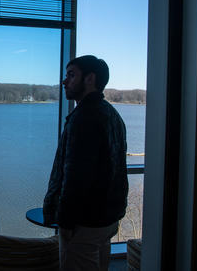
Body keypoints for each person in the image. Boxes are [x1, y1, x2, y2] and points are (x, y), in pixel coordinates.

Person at [43, 55, 128, 271]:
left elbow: (76, 176)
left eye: (71, 75)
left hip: (84, 223)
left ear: (90, 79)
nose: (64, 81)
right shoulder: (112, 114)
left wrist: (66, 221)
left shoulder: (84, 118)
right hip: (106, 220)